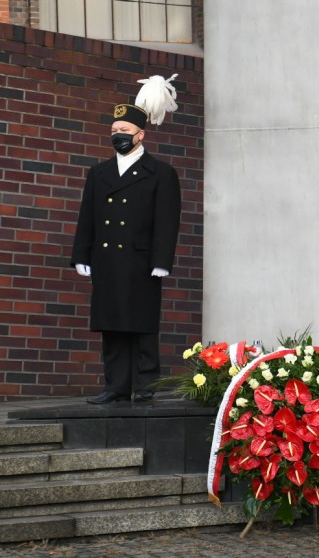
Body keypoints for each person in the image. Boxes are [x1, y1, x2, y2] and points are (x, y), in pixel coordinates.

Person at [72, 76, 182, 404]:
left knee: (142, 323)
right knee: (111, 323)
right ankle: (116, 385)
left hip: (141, 260)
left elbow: (167, 221)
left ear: (140, 134)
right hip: (106, 259)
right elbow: (87, 217)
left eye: (124, 130)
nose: (118, 135)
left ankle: (146, 384)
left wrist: (162, 261)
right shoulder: (99, 173)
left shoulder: (160, 173)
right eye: (114, 130)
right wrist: (82, 255)